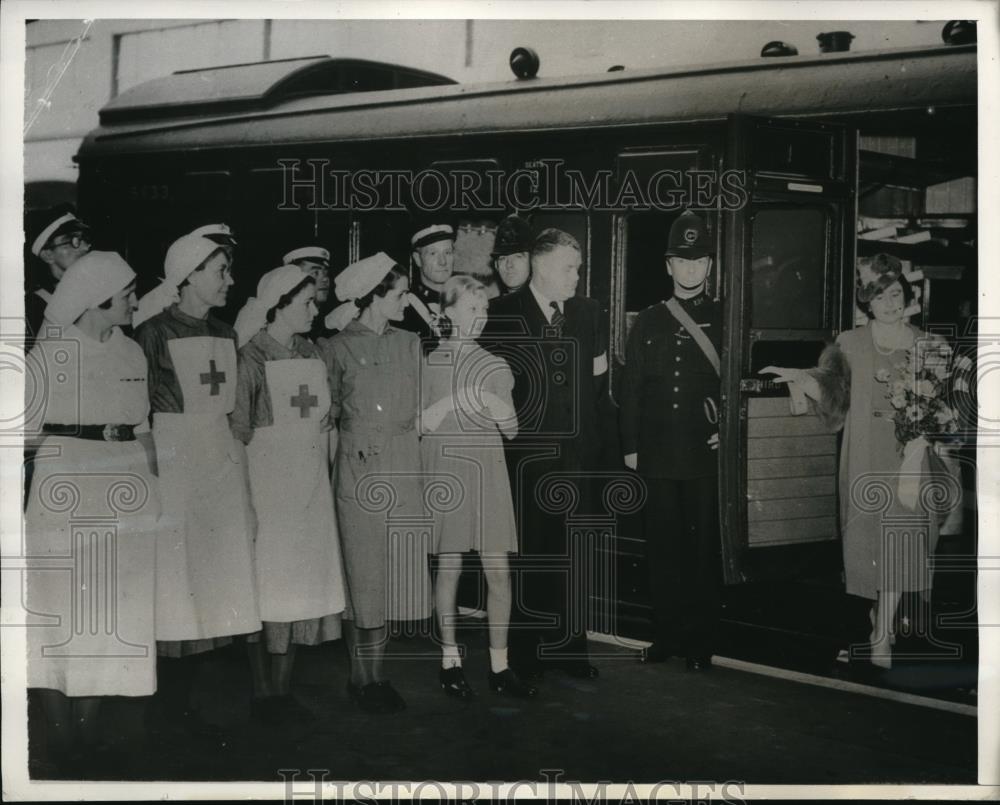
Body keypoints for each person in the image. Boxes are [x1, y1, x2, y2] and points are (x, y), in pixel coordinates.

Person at [760, 253, 944, 670]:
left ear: (907, 297)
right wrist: (797, 377)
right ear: (868, 304)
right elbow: (832, 395)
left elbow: (941, 405)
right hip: (863, 453)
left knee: (900, 539)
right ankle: (880, 614)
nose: (891, 304)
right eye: (880, 298)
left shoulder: (927, 346)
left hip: (907, 457)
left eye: (896, 295)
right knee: (869, 543)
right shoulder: (850, 343)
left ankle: (881, 637)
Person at [24, 251, 158, 769]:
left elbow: (143, 426)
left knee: (107, 613)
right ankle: (61, 742)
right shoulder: (50, 354)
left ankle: (89, 733)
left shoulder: (131, 353)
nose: (134, 301)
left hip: (124, 488)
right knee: (61, 612)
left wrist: (152, 490)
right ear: (99, 298)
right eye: (126, 293)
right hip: (66, 484)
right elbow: (22, 436)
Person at [132, 232, 261, 728]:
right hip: (174, 461)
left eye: (228, 270)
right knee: (175, 579)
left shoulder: (227, 336)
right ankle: (168, 704)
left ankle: (205, 705)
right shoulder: (153, 332)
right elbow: (139, 408)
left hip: (218, 462)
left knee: (214, 578)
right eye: (220, 271)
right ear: (188, 276)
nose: (229, 280)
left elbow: (230, 415)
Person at [482, 228, 607, 680]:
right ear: (539, 265)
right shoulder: (501, 313)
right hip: (526, 462)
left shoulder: (589, 313)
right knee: (532, 555)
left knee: (575, 555)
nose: (576, 277)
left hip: (578, 458)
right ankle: (528, 651)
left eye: (578, 268)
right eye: (568, 268)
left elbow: (596, 383)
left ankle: (571, 649)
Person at [231, 265, 346, 725]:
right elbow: (238, 431)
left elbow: (329, 402)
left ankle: (283, 689)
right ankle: (263, 692)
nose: (315, 309)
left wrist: (328, 416)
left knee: (299, 587)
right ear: (278, 305)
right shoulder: (251, 357)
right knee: (267, 588)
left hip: (310, 481)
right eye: (306, 303)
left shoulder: (313, 351)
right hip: (269, 484)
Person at [318, 253, 432, 713]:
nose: (408, 300)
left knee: (388, 580)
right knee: (361, 576)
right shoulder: (336, 348)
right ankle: (360, 676)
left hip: (403, 465)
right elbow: (329, 416)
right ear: (373, 297)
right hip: (359, 469)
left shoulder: (409, 343)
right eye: (401, 293)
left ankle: (378, 674)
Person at [420, 275, 538, 699]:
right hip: (448, 477)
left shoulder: (495, 365)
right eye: (472, 308)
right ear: (448, 312)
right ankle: (450, 662)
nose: (480, 317)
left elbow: (511, 430)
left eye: (484, 309)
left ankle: (499, 667)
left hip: (488, 476)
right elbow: (418, 424)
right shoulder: (430, 365)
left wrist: (491, 403)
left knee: (499, 575)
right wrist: (454, 400)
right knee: (449, 569)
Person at [619, 211, 722, 671]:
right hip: (658, 455)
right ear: (668, 266)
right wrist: (631, 446)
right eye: (683, 260)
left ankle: (699, 643)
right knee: (662, 551)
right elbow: (632, 388)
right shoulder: (648, 321)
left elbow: (733, 386)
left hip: (704, 454)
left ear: (710, 266)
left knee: (700, 554)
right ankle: (666, 636)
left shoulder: (723, 318)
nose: (691, 269)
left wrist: (728, 432)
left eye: (698, 260)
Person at [24, 206, 92, 350]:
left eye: (84, 239)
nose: (85, 247)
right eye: (74, 241)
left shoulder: (94, 296)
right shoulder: (33, 308)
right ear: (48, 255)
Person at [399, 220, 455, 340]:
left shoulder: (467, 302)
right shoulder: (404, 309)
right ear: (417, 259)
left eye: (448, 252)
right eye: (433, 253)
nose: (443, 262)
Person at [282, 246, 335, 340]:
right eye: (315, 273)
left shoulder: (331, 321)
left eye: (326, 273)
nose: (325, 279)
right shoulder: (289, 324)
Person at [490, 214, 532, 295]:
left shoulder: (546, 305)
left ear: (531, 261)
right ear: (496, 265)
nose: (509, 264)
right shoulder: (489, 306)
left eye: (518, 256)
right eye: (503, 258)